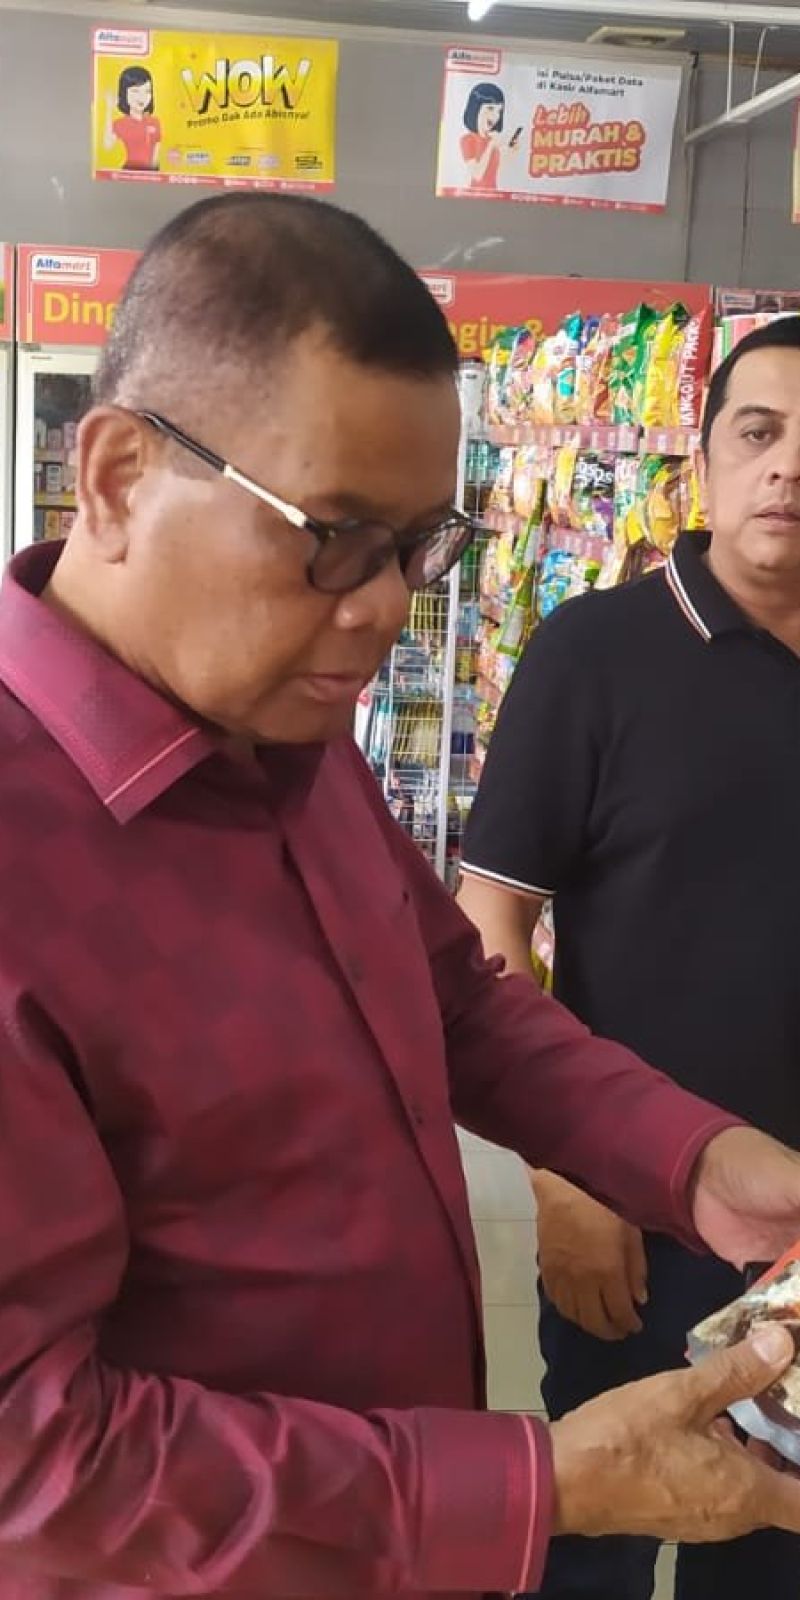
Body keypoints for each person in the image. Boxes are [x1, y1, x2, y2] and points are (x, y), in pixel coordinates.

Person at [2, 195, 800, 1600]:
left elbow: (454, 1001)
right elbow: (32, 1460)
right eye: (333, 536)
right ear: (118, 477)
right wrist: (534, 1486)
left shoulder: (283, 733)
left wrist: (695, 1163)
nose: (381, 607)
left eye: (419, 543)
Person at [459, 314, 800, 1600]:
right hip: (634, 1219)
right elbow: (489, 924)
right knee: (590, 1542)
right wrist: (563, 1183)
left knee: (773, 1549)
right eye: (757, 433)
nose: (786, 466)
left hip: (796, 1241)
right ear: (700, 462)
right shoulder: (593, 653)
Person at [460, 83, 520, 191]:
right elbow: (477, 175)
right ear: (475, 108)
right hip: (475, 193)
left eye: (499, 111)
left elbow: (499, 168)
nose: (495, 116)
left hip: (494, 192)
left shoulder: (493, 138)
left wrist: (513, 150)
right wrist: (491, 145)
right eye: (490, 108)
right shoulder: (467, 140)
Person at [104, 65, 161, 172]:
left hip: (151, 172)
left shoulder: (154, 122)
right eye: (135, 91)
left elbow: (156, 155)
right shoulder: (121, 123)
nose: (142, 97)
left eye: (147, 91)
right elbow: (107, 145)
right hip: (129, 171)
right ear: (124, 93)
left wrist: (154, 174)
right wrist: (109, 109)